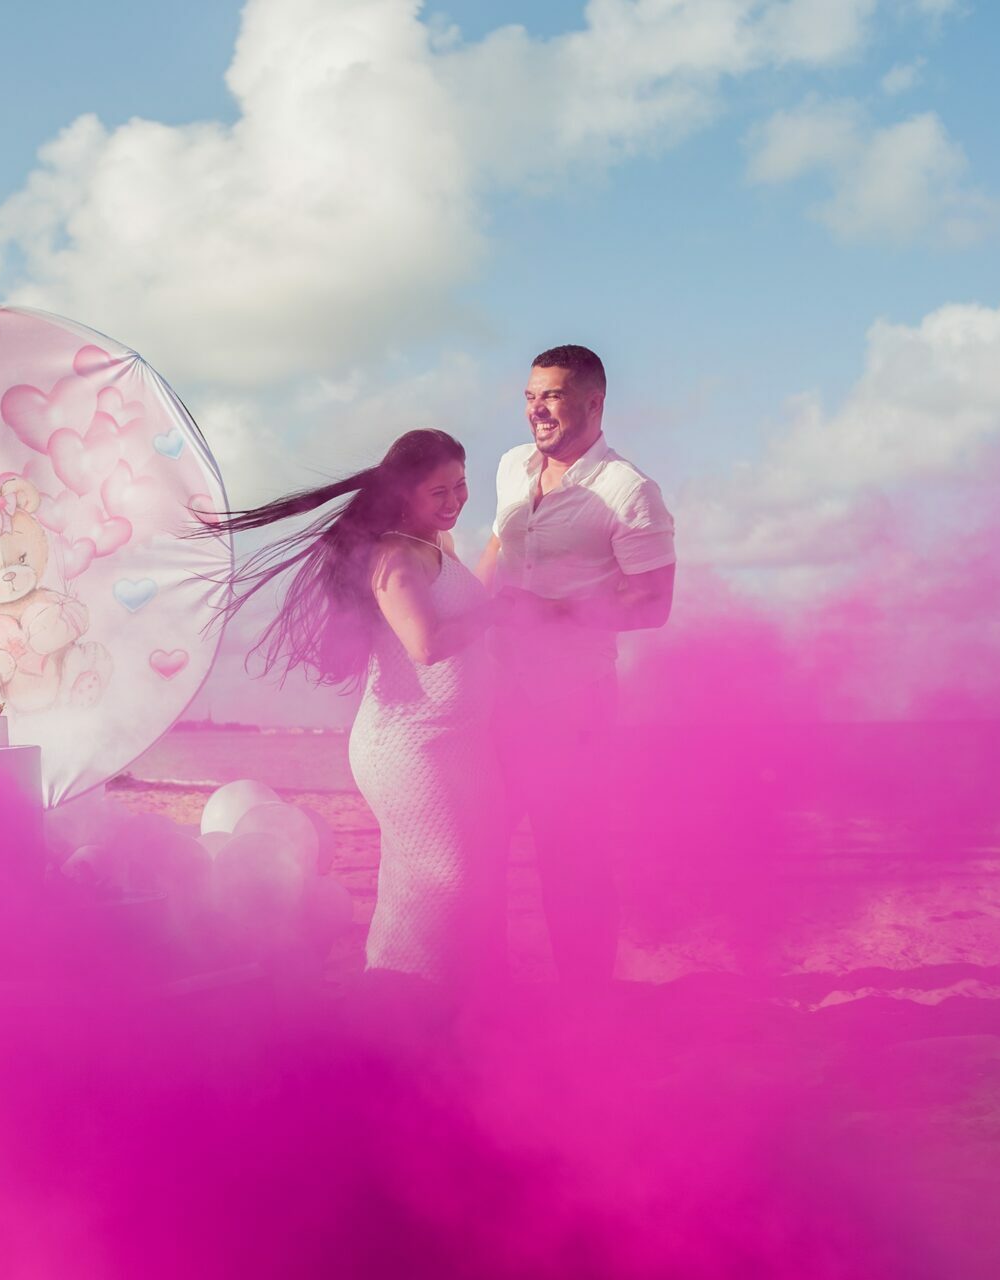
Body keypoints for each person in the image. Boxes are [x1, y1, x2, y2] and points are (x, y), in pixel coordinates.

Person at [201, 429, 509, 985]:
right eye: (438, 492)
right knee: (445, 878)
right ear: (405, 493)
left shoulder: (438, 544)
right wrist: (497, 613)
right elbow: (427, 644)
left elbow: (472, 602)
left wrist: (505, 540)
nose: (454, 501)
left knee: (462, 876)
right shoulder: (394, 555)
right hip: (408, 746)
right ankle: (400, 991)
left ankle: (445, 995)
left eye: (461, 486)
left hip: (460, 742)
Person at [477, 344, 675, 995]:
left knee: (571, 859)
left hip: (574, 703)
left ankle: (585, 1006)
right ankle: (491, 990)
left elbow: (654, 604)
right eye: (531, 395)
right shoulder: (511, 466)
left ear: (594, 403)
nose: (537, 408)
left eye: (553, 396)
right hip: (495, 694)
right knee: (479, 849)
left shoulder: (630, 491)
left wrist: (552, 612)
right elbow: (497, 548)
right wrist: (460, 616)